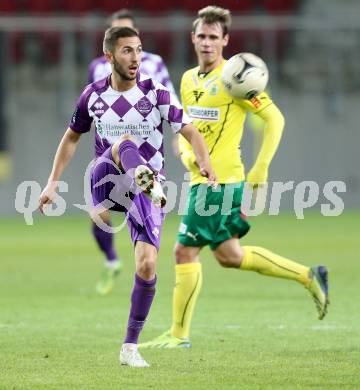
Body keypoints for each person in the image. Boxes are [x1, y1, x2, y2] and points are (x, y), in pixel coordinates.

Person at [140, 6, 329, 350]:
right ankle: (308, 275)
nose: (208, 43)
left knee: (183, 251)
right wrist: (185, 155)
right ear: (192, 38)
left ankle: (179, 335)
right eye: (202, 36)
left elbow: (276, 120)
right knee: (229, 256)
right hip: (201, 181)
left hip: (221, 184)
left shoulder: (236, 79)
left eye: (215, 37)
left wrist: (262, 167)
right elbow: (186, 131)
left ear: (226, 40)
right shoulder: (187, 79)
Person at [39, 26, 216, 367]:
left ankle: (130, 348)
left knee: (148, 265)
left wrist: (205, 163)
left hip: (146, 191)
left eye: (138, 50)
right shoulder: (92, 95)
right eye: (126, 51)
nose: (135, 58)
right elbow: (71, 138)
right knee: (123, 144)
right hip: (107, 179)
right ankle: (143, 179)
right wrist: (52, 183)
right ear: (109, 57)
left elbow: (190, 131)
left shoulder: (157, 93)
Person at [88, 9, 180, 296]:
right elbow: (94, 106)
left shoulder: (153, 65)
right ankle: (112, 260)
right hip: (110, 151)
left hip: (146, 154)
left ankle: (142, 258)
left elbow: (171, 98)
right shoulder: (97, 68)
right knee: (98, 214)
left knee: (139, 215)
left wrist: (179, 135)